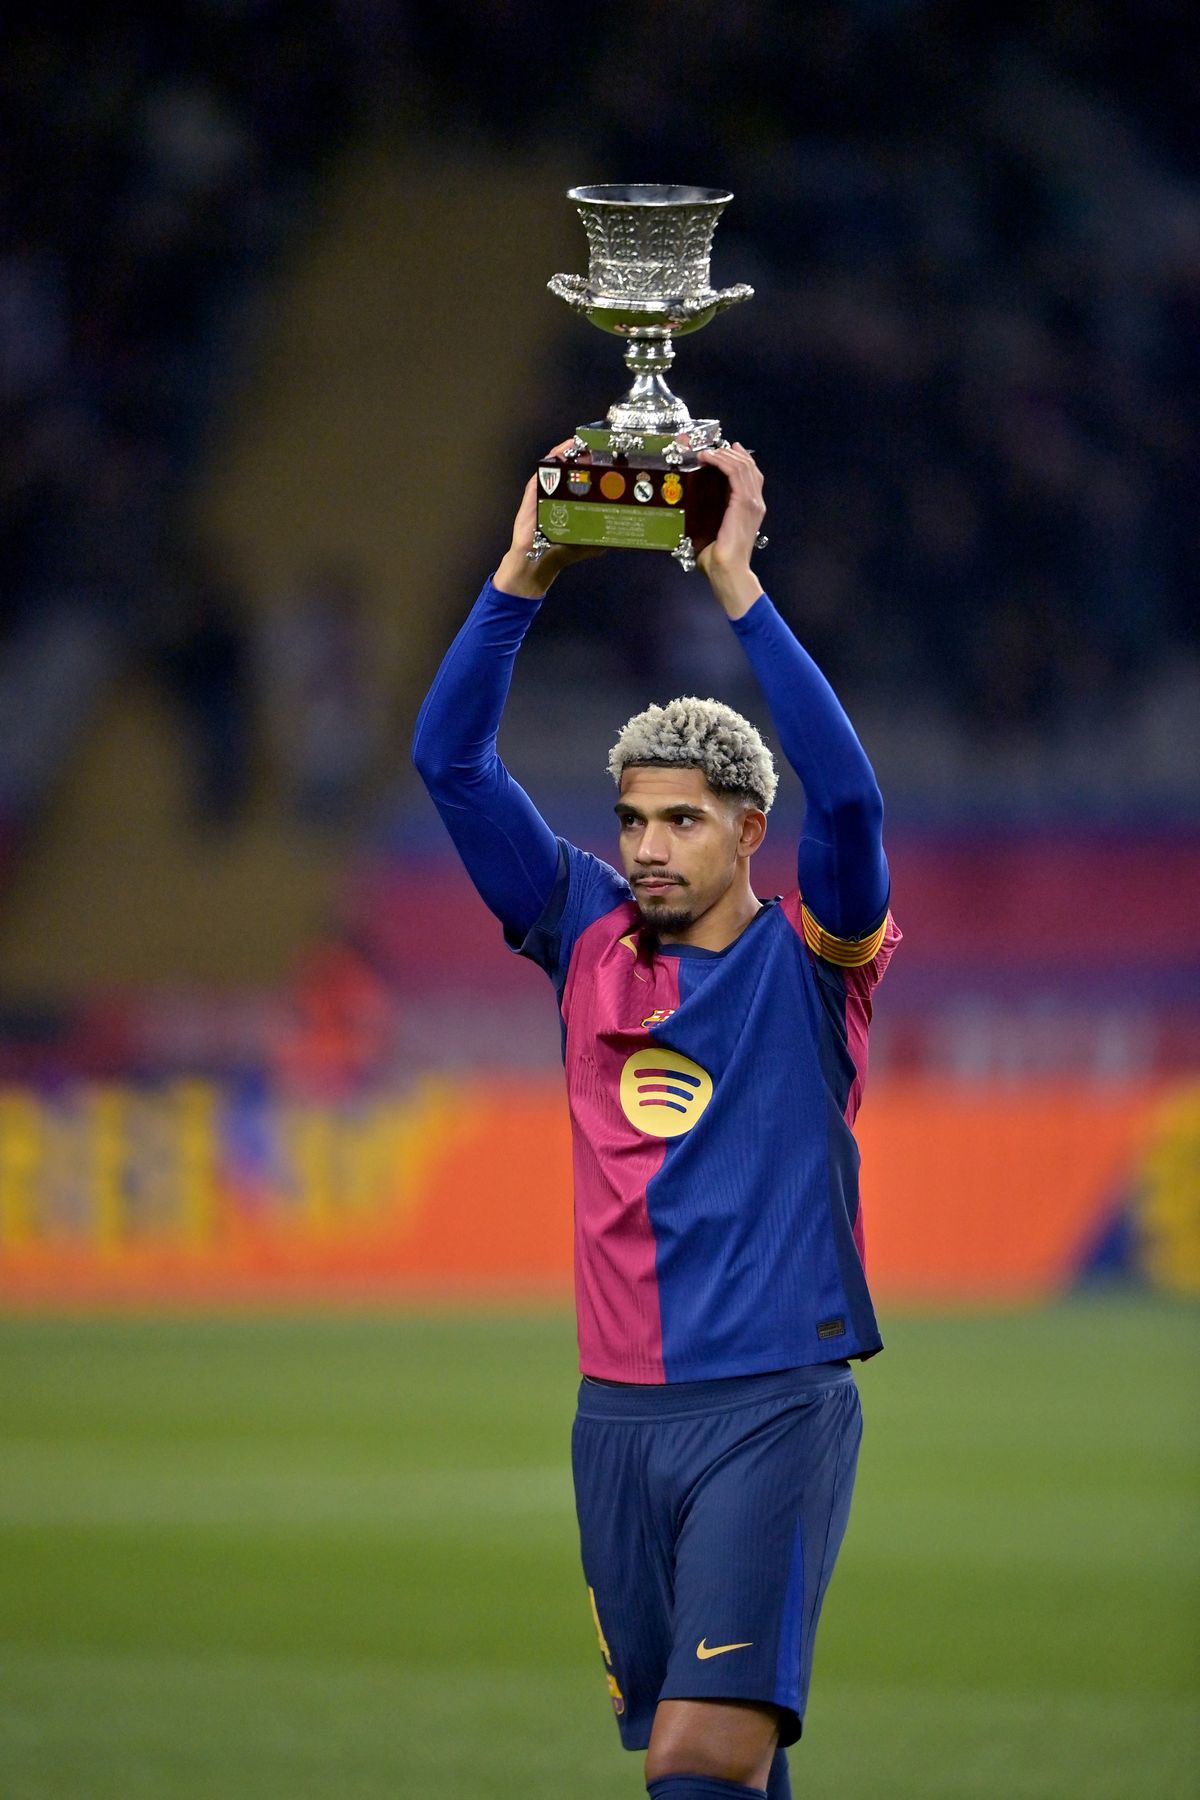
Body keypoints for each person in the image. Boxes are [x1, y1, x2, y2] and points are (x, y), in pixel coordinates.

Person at [412, 444, 900, 1800]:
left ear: (749, 833)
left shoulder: (818, 965)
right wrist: (522, 573)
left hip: (768, 1407)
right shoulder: (581, 939)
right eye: (632, 819)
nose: (646, 847)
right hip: (614, 1423)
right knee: (715, 1766)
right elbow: (448, 760)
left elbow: (851, 800)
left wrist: (735, 580)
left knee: (701, 1755)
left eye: (683, 821)